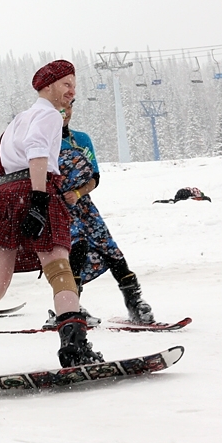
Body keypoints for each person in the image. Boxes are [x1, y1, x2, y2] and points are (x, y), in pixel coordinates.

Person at [0, 60, 103, 377]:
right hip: (36, 190)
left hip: (5, 194)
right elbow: (37, 151)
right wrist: (37, 198)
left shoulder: (19, 119)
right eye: (66, 84)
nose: (72, 91)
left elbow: (1, 165)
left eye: (74, 85)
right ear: (47, 86)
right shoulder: (49, 114)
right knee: (61, 272)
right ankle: (75, 349)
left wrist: (15, 198)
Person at [57, 99, 155, 325]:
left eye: (70, 107)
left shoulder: (81, 140)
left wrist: (79, 193)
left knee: (111, 250)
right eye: (61, 109)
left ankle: (135, 302)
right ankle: (69, 306)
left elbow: (94, 177)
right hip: (59, 207)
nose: (66, 113)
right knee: (76, 248)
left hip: (84, 205)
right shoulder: (42, 143)